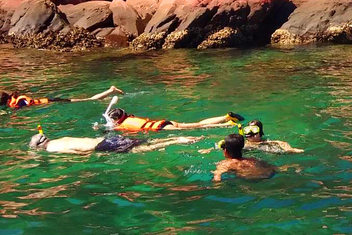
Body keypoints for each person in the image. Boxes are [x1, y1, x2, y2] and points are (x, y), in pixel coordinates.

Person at [28, 129, 201, 154]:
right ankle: (177, 138)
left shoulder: (52, 149)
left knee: (142, 150)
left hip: (103, 146)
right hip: (108, 139)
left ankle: (178, 141)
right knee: (147, 141)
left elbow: (78, 154)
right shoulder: (61, 138)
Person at [108, 108, 243, 132]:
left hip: (162, 128)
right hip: (166, 122)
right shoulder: (131, 117)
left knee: (201, 127)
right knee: (199, 124)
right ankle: (226, 117)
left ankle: (227, 124)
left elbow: (112, 131)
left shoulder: (122, 126)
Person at [1, 86, 124, 110]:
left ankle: (111, 90)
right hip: (51, 101)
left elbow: (23, 107)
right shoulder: (15, 100)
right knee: (89, 99)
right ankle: (107, 97)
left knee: (90, 100)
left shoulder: (20, 101)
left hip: (54, 102)